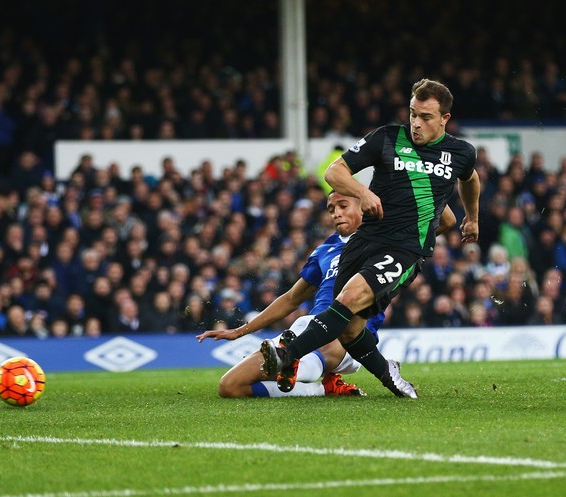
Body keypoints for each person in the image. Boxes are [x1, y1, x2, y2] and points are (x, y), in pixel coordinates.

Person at [263, 78, 480, 398]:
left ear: (445, 119)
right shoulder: (387, 138)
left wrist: (472, 217)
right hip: (365, 241)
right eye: (412, 114)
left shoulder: (461, 152)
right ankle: (389, 375)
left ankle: (288, 355)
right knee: (350, 328)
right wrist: (361, 191)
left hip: (406, 249)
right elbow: (334, 172)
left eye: (426, 117)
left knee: (348, 299)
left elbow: (470, 179)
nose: (416, 123)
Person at [196, 192, 456, 398]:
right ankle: (319, 387)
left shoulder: (388, 240)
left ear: (364, 206)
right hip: (306, 327)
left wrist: (424, 181)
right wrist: (240, 331)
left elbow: (446, 222)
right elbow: (290, 299)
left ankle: (291, 360)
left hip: (349, 338)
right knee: (230, 386)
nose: (336, 214)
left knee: (335, 331)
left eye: (343, 206)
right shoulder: (325, 250)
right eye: (331, 209)